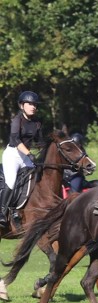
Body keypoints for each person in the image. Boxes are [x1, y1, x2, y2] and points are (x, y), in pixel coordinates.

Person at [0, 91, 44, 227]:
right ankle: (2, 211)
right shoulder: (17, 120)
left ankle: (21, 210)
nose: (33, 106)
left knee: (36, 178)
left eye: (35, 104)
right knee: (12, 181)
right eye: (30, 104)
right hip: (12, 155)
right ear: (21, 105)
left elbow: (40, 142)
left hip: (25, 156)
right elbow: (15, 139)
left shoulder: (37, 122)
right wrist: (29, 154)